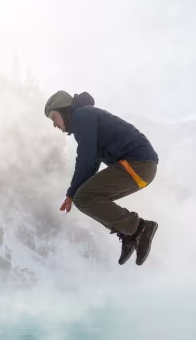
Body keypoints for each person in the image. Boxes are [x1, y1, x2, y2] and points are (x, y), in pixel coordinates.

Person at [44, 90, 159, 265]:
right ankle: (129, 232)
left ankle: (139, 229)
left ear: (63, 109)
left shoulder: (82, 116)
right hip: (142, 167)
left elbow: (86, 157)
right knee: (86, 197)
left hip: (138, 164)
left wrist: (74, 193)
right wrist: (71, 193)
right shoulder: (86, 117)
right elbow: (92, 162)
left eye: (54, 118)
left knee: (84, 198)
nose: (54, 125)